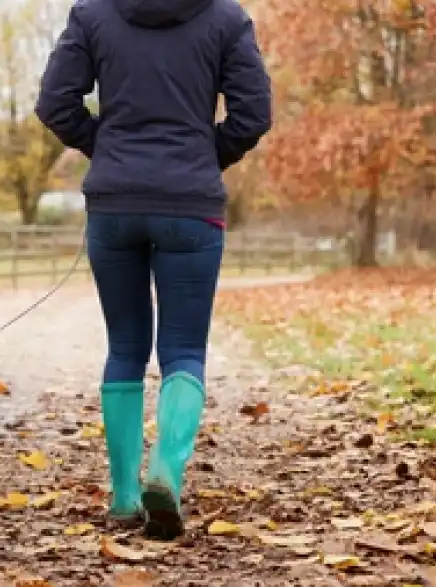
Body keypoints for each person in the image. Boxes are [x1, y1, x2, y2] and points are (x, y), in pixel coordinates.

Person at [35, 0, 272, 539]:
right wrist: (203, 156)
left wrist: (110, 148)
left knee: (124, 348)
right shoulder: (225, 19)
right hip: (191, 206)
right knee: (184, 349)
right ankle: (166, 471)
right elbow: (254, 113)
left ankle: (122, 497)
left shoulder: (93, 14)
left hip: (114, 207)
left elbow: (54, 103)